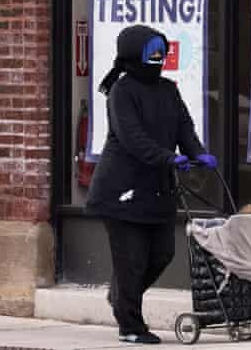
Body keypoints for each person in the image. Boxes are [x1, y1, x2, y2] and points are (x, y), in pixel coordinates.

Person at [86, 25, 217, 345]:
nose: (158, 59)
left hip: (157, 190)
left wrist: (197, 153)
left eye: (161, 53)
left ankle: (120, 297)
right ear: (134, 55)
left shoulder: (168, 90)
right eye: (151, 53)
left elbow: (184, 127)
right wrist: (168, 158)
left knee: (161, 253)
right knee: (131, 261)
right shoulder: (122, 91)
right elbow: (132, 138)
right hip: (121, 192)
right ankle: (130, 325)